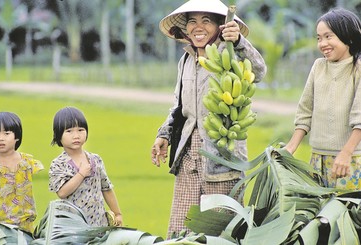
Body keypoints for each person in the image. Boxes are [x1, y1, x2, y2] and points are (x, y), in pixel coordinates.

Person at [151, 0, 267, 238]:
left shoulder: (231, 54)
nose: (198, 26)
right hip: (188, 158)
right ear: (186, 28)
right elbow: (179, 106)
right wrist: (163, 134)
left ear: (220, 26)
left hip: (222, 158)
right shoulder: (185, 60)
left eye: (206, 20)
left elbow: (258, 71)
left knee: (222, 233)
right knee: (180, 231)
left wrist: (238, 42)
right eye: (192, 21)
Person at [284, 8, 361, 190]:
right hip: (317, 159)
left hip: (350, 160)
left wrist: (346, 153)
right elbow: (305, 110)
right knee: (319, 214)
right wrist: (291, 147)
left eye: (328, 36)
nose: (322, 43)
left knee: (347, 215)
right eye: (318, 38)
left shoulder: (357, 68)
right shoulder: (318, 66)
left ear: (348, 37)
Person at [49, 106, 123, 227]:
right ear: (58, 135)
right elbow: (62, 192)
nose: (76, 135)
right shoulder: (59, 163)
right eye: (69, 131)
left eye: (80, 130)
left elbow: (106, 188)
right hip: (72, 227)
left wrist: (118, 213)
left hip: (99, 224)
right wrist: (81, 174)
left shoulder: (95, 160)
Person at [0, 111, 44, 234]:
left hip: (24, 223)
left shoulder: (27, 162)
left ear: (16, 136)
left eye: (6, 133)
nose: (0, 138)